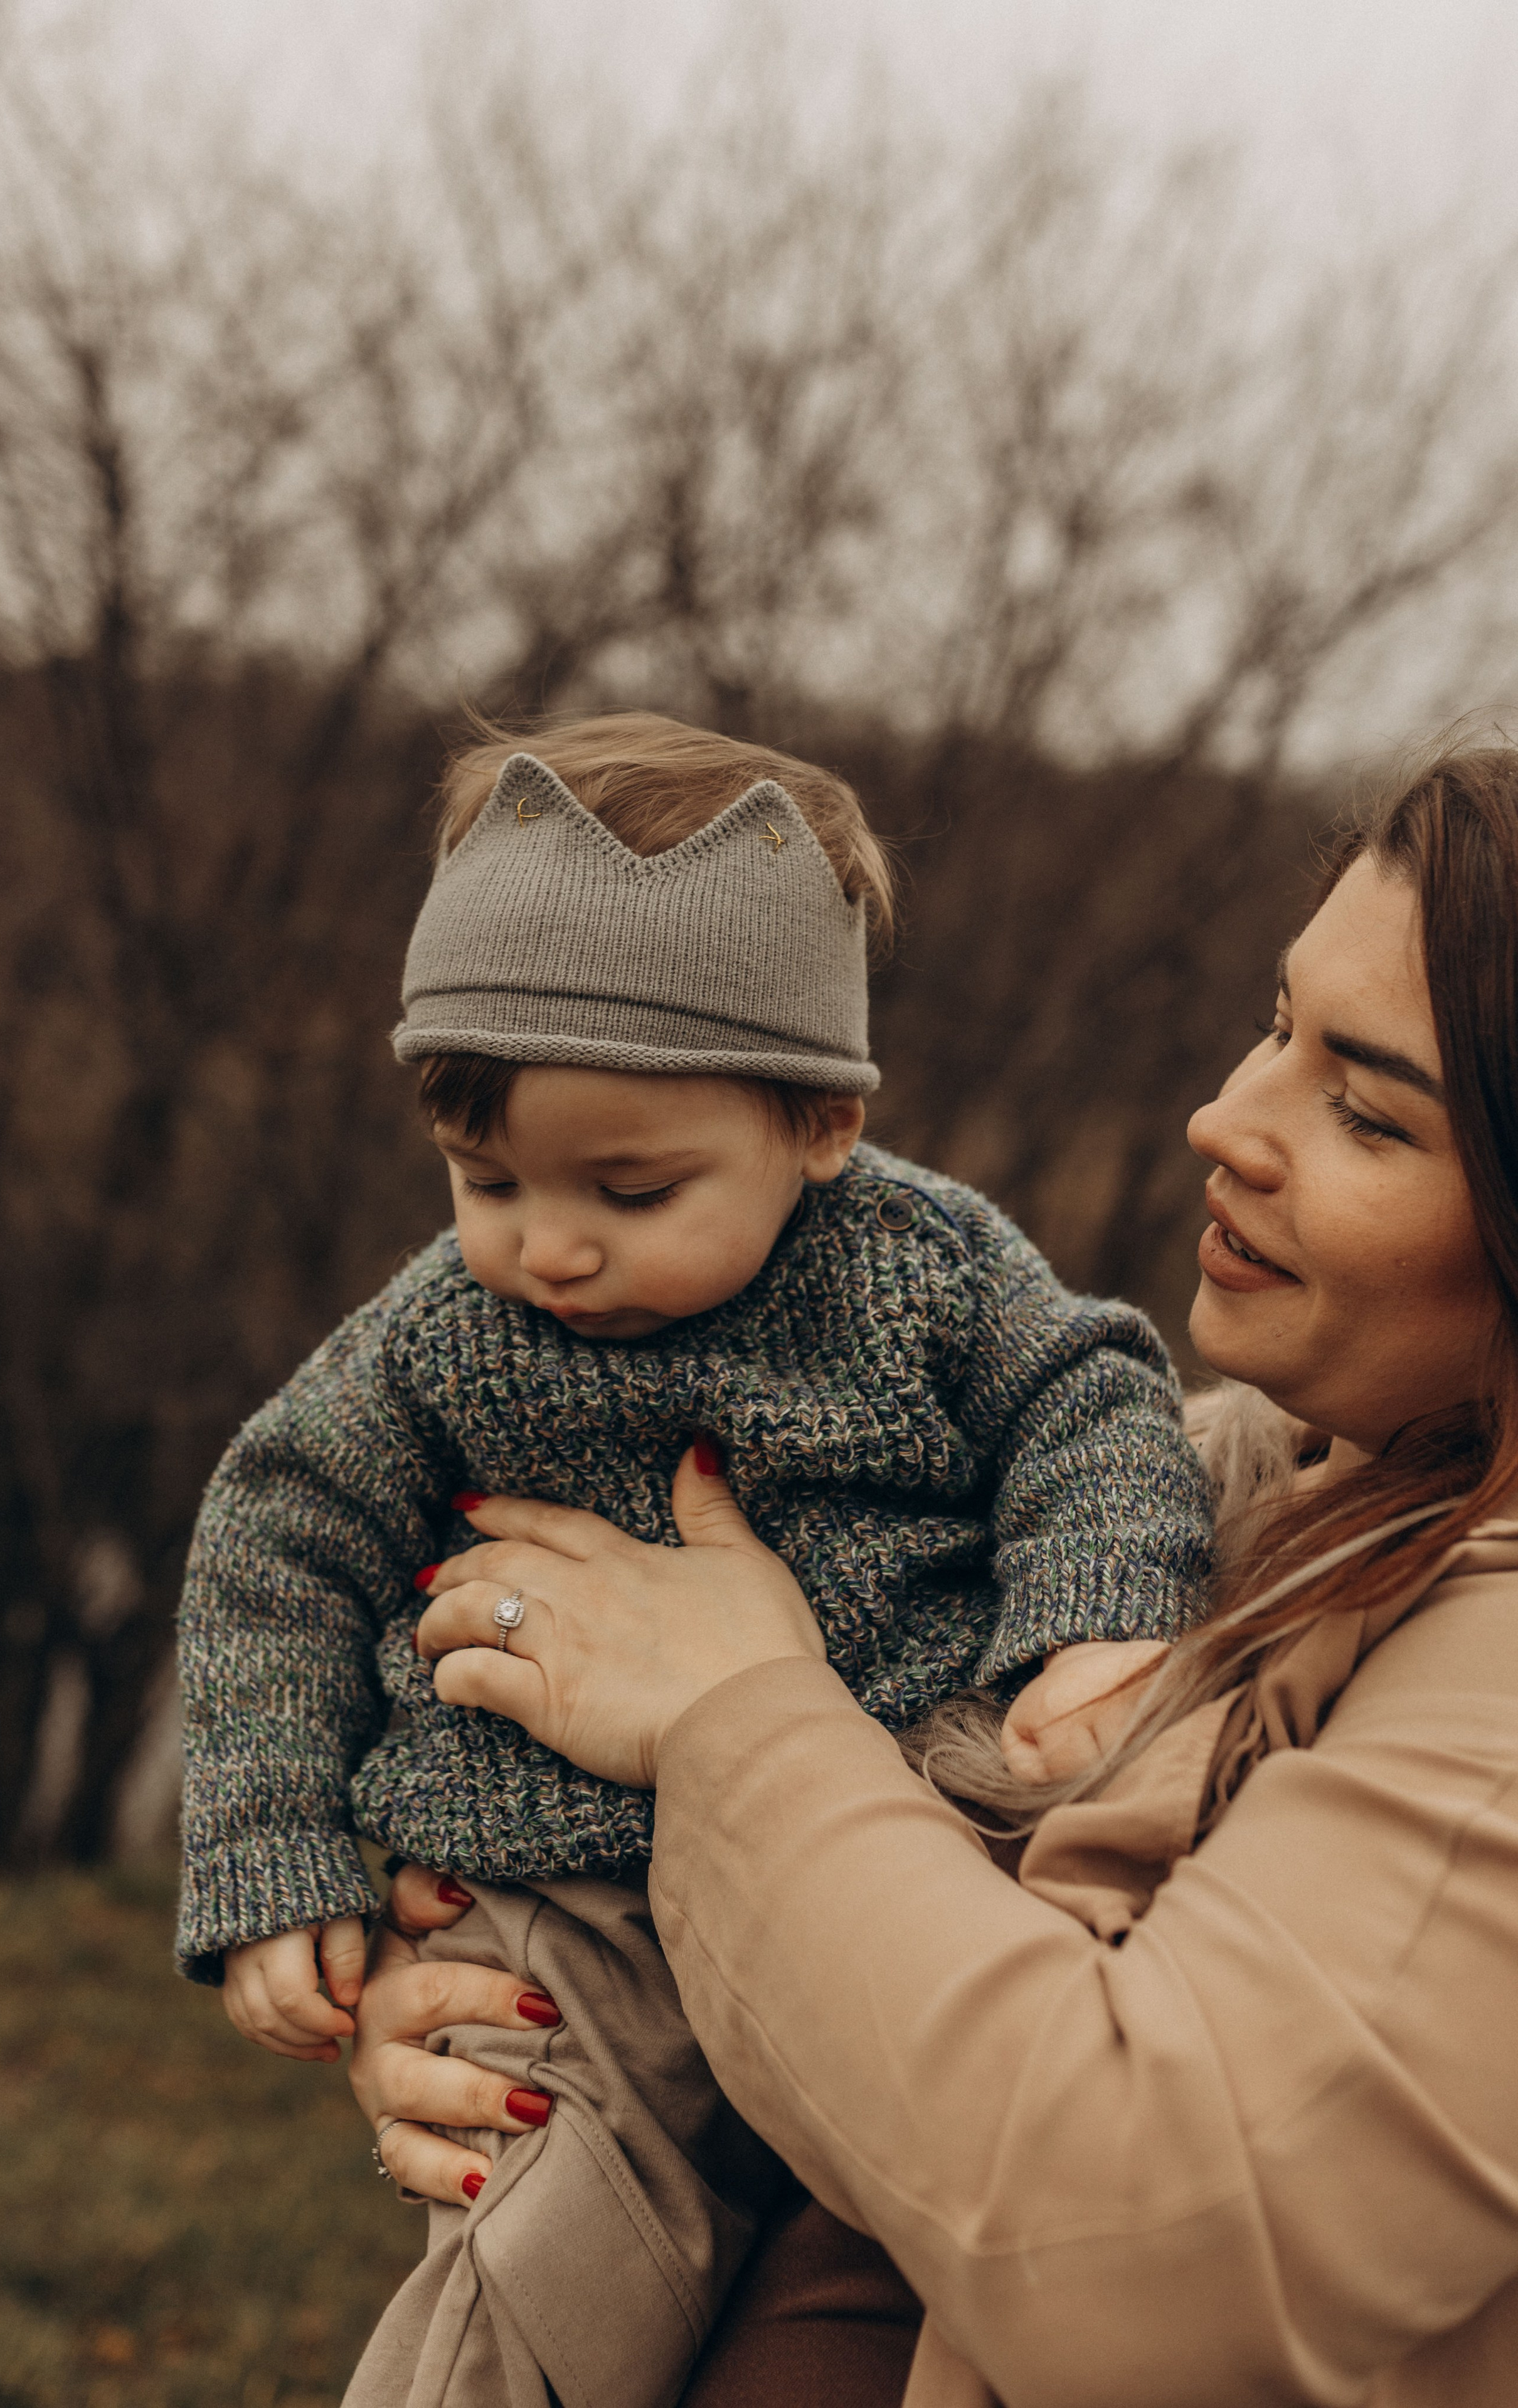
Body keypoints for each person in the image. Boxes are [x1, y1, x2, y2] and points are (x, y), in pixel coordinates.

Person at [374, 739, 1518, 2405]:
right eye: (1279, 1027)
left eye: (1363, 1111)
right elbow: (866, 1982)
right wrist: (506, 2004)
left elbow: (1139, 2245)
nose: (1225, 1118)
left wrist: (733, 1724)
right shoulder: (1202, 1513)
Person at [174, 713, 1212, 2407]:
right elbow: (279, 1532)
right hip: (568, 1897)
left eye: (634, 1188)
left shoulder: (919, 1272)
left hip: (907, 1843)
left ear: (821, 1123)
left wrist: (1095, 1621)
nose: (551, 1244)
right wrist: (278, 1847)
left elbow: (1091, 1400)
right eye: (484, 1176)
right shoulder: (445, 1333)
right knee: (544, 2272)